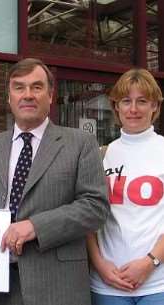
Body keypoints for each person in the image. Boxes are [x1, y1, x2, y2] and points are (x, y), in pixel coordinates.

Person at [0, 58, 110, 305]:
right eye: (19, 87)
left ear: (50, 95)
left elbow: (95, 207)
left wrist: (35, 226)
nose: (27, 95)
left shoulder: (80, 143)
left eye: (36, 87)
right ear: (9, 97)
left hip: (55, 285)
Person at [87, 68, 164, 305]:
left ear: (155, 107)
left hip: (158, 284)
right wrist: (99, 264)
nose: (133, 109)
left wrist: (149, 262)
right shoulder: (99, 155)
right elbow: (88, 218)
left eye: (142, 101)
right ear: (116, 107)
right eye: (126, 101)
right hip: (107, 284)